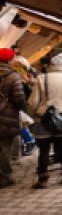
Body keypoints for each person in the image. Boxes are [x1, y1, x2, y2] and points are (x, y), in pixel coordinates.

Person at [28, 51, 62, 188]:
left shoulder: (41, 78)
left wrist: (33, 115)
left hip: (44, 118)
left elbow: (33, 102)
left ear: (52, 64)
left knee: (43, 150)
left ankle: (43, 179)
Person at [0, 48, 26, 188]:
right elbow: (19, 98)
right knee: (5, 148)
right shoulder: (13, 76)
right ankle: (4, 176)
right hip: (7, 116)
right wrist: (22, 108)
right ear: (9, 60)